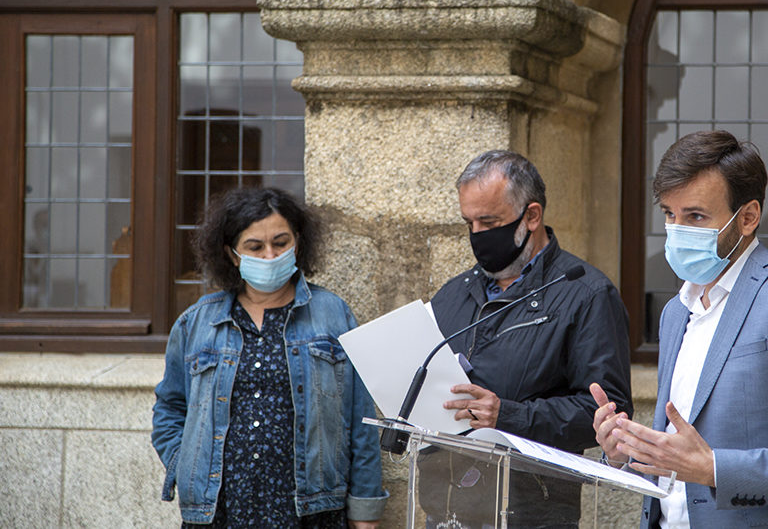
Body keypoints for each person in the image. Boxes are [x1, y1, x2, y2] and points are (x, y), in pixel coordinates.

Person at [590, 130, 768, 528]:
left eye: (696, 216)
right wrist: (625, 452)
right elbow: (677, 465)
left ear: (748, 217)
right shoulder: (676, 311)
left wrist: (715, 469)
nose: (677, 231)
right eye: (669, 215)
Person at [152, 187, 387, 528]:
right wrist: (185, 463)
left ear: (298, 243)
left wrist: (365, 507)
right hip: (219, 510)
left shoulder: (332, 315)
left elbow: (360, 417)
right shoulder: (197, 322)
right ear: (232, 254)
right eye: (255, 247)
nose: (270, 255)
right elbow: (170, 407)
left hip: (312, 510)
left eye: (280, 242)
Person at [424, 150, 633, 527]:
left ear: (532, 216)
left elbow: (607, 412)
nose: (476, 235)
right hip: (448, 508)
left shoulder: (586, 294)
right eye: (468, 222)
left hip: (533, 509)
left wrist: (507, 416)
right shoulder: (452, 295)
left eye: (489, 222)